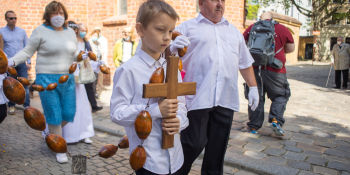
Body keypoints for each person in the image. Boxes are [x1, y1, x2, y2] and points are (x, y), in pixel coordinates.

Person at [171, 0, 259, 174]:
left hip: (225, 98)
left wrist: (253, 87)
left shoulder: (234, 33)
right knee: (192, 144)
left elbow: (245, 63)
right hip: (196, 98)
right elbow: (166, 57)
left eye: (223, 0)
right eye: (214, 0)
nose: (220, 4)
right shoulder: (186, 28)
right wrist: (171, 50)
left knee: (217, 152)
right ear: (201, 3)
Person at [110, 0, 188, 174]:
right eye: (160, 30)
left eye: (170, 31)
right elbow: (116, 113)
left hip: (176, 158)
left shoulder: (172, 67)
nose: (167, 37)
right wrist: (154, 110)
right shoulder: (128, 70)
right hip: (149, 160)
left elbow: (181, 104)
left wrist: (180, 121)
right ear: (140, 29)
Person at [8, 1, 77, 163]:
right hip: (46, 78)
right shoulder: (40, 31)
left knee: (68, 113)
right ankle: (59, 148)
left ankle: (49, 131)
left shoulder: (70, 32)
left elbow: (74, 53)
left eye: (61, 13)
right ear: (48, 16)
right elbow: (27, 51)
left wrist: (83, 58)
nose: (58, 16)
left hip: (67, 78)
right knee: (54, 113)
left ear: (65, 15)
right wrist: (10, 61)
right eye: (54, 13)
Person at [242, 12, 294, 136]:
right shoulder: (282, 29)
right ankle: (276, 120)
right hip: (275, 70)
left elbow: (242, 43)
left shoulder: (252, 27)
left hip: (255, 68)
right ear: (273, 18)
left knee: (256, 96)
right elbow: (291, 48)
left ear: (260, 18)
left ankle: (254, 126)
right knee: (280, 95)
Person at [62, 21, 95, 144]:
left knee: (82, 105)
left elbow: (83, 58)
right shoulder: (62, 43)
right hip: (66, 77)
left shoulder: (81, 42)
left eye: (75, 30)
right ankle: (68, 135)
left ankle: (84, 133)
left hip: (78, 77)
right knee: (69, 105)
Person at [0, 10, 31, 114]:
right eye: (11, 18)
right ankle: (11, 105)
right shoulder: (1, 32)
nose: (13, 20)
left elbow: (27, 47)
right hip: (8, 64)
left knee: (24, 83)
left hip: (21, 62)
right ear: (6, 19)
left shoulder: (22, 31)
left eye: (15, 18)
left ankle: (26, 105)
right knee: (10, 85)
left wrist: (29, 62)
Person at [89, 27, 108, 98]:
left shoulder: (99, 42)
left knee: (98, 78)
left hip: (99, 62)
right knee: (93, 78)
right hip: (92, 62)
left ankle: (97, 91)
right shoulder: (90, 42)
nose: (95, 37)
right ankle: (94, 92)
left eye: (96, 36)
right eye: (94, 35)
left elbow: (102, 52)